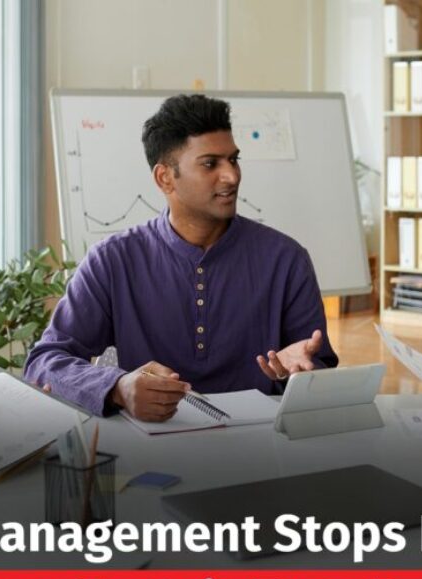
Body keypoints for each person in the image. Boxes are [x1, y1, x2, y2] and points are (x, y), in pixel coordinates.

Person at [24, 94, 338, 421]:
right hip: (149, 455)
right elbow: (44, 362)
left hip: (264, 448)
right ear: (165, 178)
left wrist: (299, 373)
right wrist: (119, 386)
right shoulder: (112, 261)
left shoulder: (286, 259)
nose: (231, 176)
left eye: (233, 159)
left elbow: (317, 367)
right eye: (210, 164)